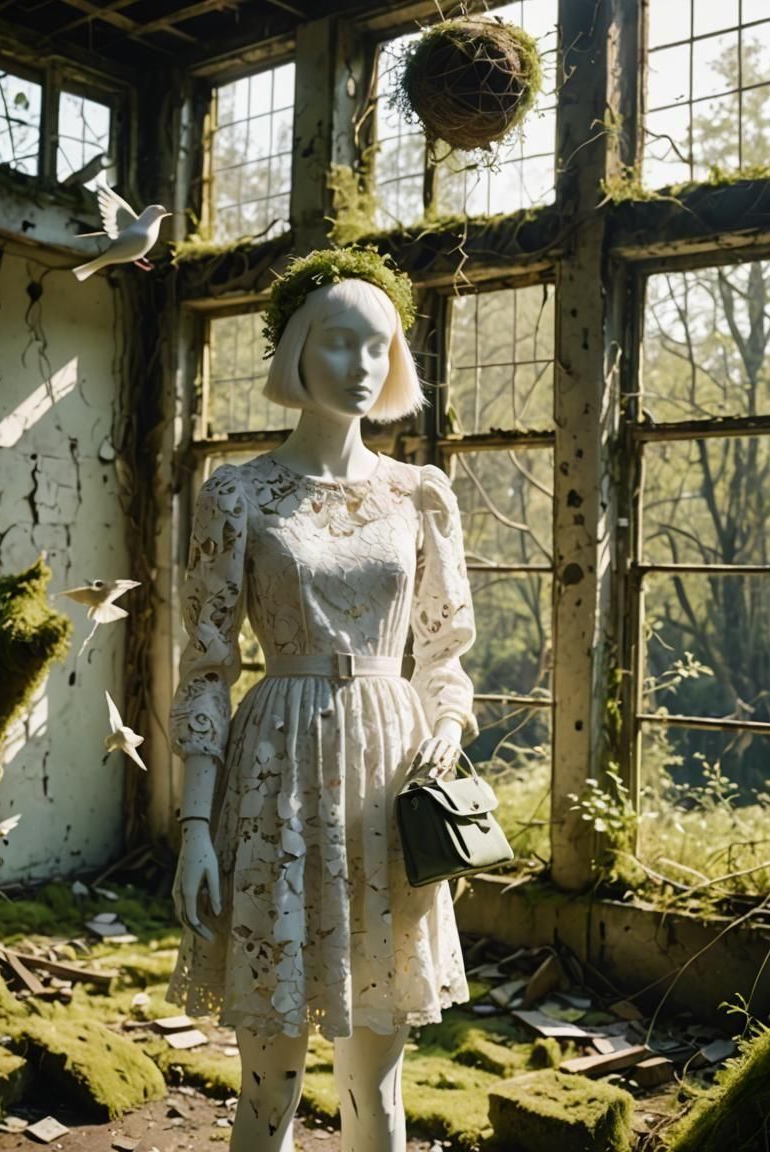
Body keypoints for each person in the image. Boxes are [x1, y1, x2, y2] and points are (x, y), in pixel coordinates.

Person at [167, 247, 479, 1152]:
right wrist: (193, 823)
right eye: (339, 343)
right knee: (268, 1089)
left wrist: (448, 727)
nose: (361, 366)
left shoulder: (417, 495)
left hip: (390, 779)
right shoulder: (238, 495)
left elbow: (448, 650)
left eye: (378, 347)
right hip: (277, 777)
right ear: (297, 352)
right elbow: (206, 668)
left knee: (376, 1096)